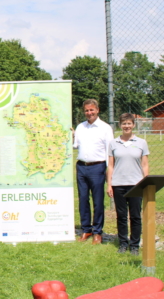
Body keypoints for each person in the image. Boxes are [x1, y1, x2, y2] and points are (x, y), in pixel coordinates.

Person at [106, 113, 149, 256]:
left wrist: (146, 182)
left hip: (136, 184)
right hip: (118, 184)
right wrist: (109, 184)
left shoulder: (141, 142)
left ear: (133, 125)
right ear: (120, 125)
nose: (126, 126)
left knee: (135, 216)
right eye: (124, 123)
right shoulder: (113, 143)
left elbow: (145, 164)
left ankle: (135, 245)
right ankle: (123, 243)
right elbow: (111, 165)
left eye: (129, 123)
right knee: (121, 216)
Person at [73, 99, 114, 245]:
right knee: (83, 200)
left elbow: (110, 152)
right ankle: (86, 229)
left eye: (92, 110)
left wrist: (110, 173)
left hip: (98, 167)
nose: (89, 113)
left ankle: (97, 232)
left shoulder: (105, 128)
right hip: (81, 167)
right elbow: (75, 145)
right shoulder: (80, 127)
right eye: (86, 110)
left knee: (97, 201)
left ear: (97, 110)